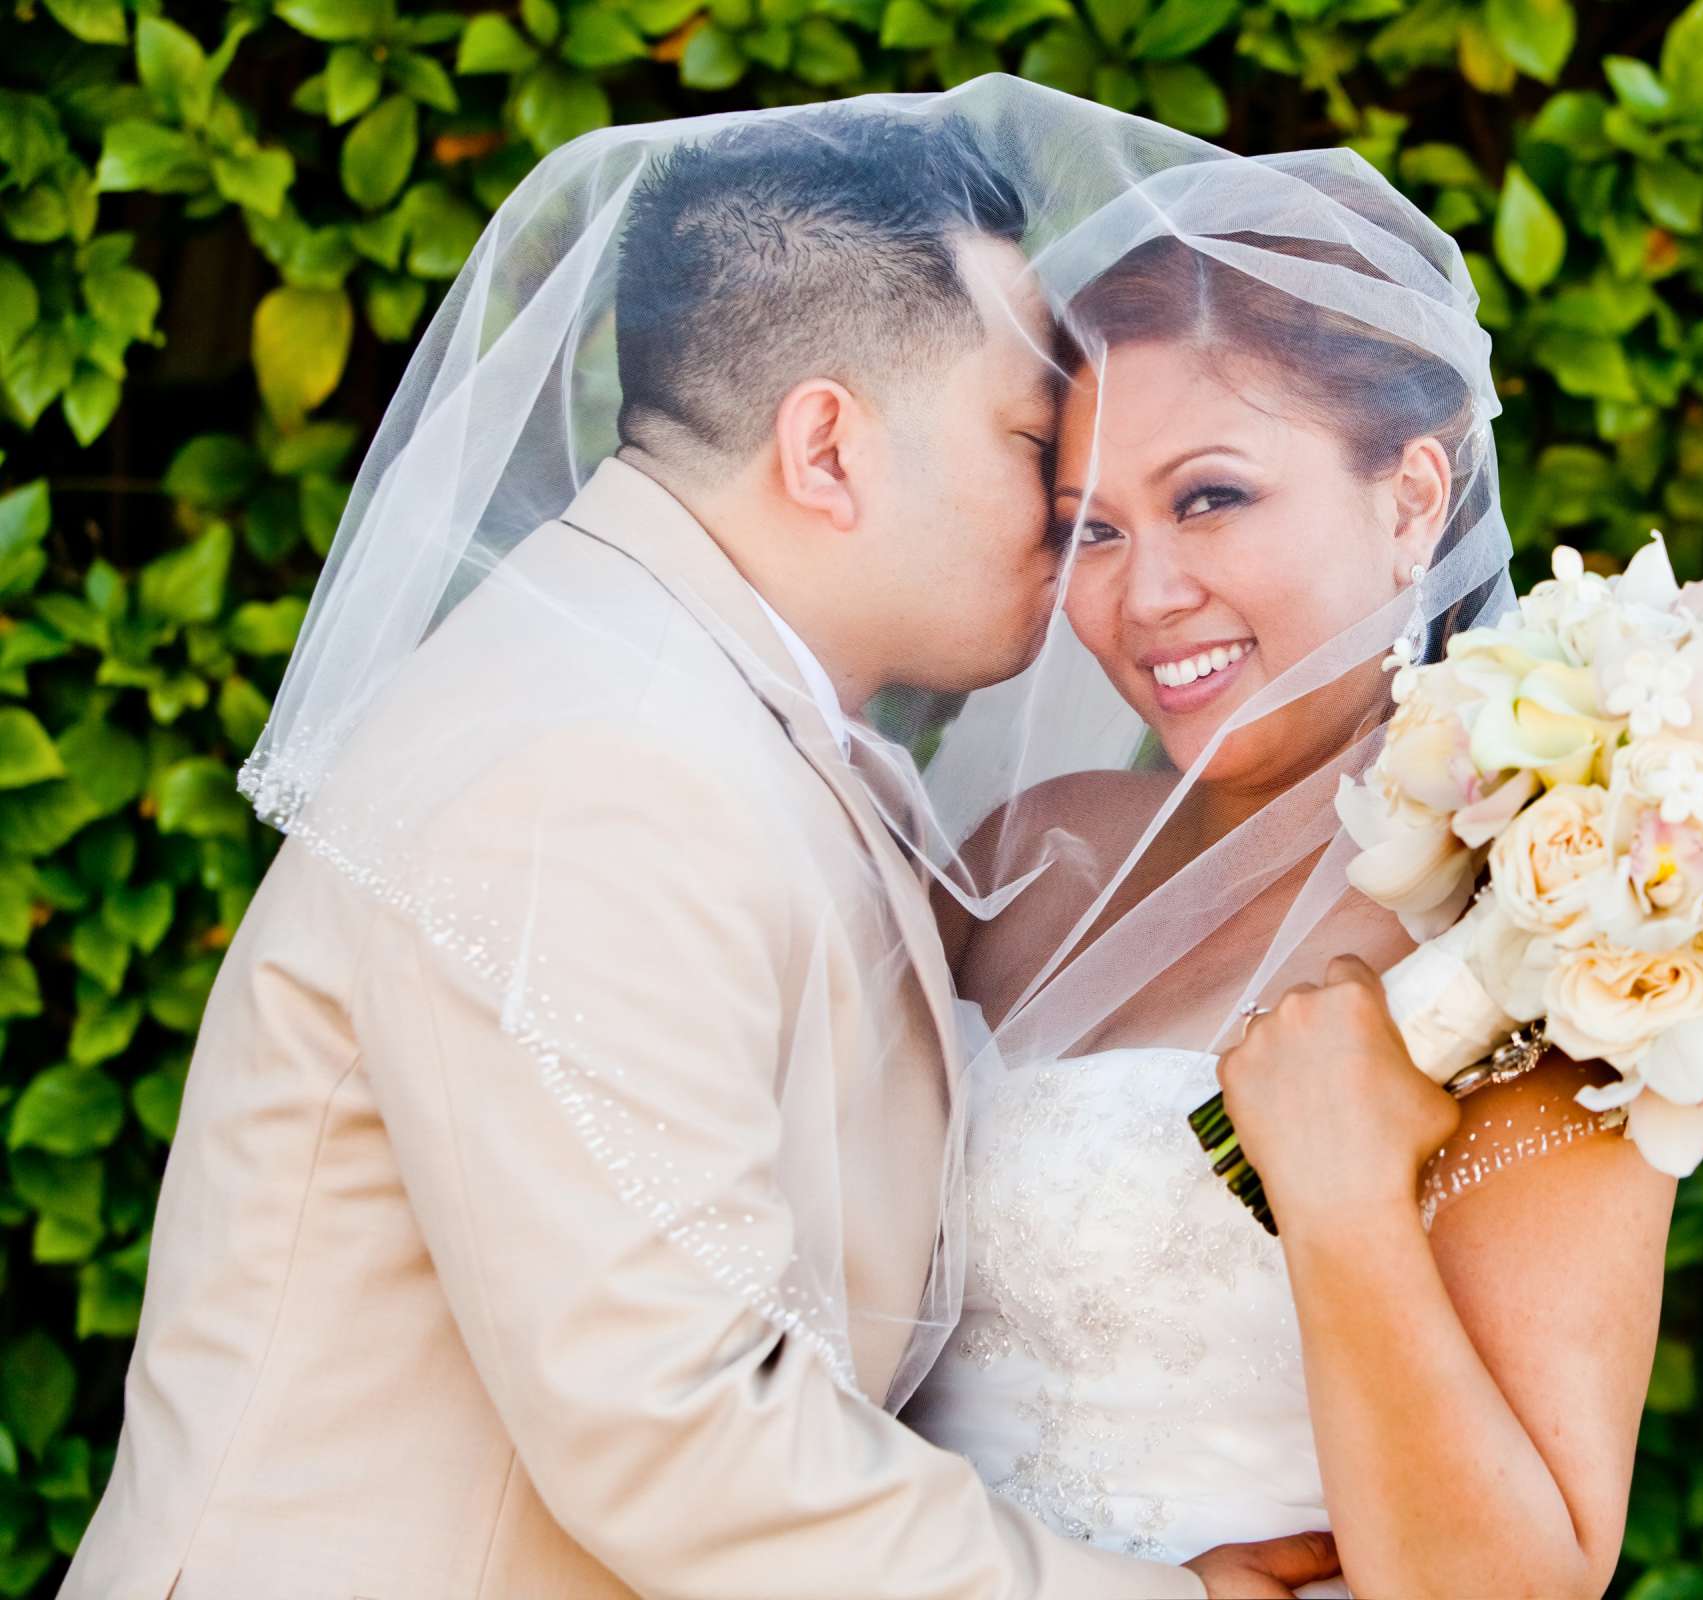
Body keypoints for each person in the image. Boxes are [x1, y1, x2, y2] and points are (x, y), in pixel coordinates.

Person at [64, 89, 1334, 1600]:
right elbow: (681, 1427)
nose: (1066, 518)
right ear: (827, 447)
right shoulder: (594, 767)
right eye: (1022, 439)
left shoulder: (673, 697)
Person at [903, 156, 1676, 1598]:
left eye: (1211, 496)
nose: (1144, 597)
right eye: (1091, 527)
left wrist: (1340, 1200)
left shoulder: (1536, 937)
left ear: (1413, 498)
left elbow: (1516, 1585)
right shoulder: (1029, 852)